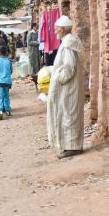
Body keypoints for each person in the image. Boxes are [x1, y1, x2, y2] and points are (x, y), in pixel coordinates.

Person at [47, 16, 84, 159]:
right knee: (67, 114)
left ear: (62, 29)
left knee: (69, 115)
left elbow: (69, 67)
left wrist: (58, 80)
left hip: (68, 87)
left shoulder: (68, 43)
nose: (56, 31)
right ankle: (70, 146)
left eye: (57, 29)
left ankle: (73, 147)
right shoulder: (67, 42)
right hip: (68, 87)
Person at [0, 46, 13, 120]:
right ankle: (7, 110)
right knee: (6, 96)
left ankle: (0, 110)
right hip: (7, 82)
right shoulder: (9, 61)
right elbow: (11, 71)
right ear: (6, 52)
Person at [27, 23, 41, 89]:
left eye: (37, 26)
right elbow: (29, 42)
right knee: (33, 62)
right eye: (36, 26)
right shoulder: (30, 33)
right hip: (32, 51)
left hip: (38, 50)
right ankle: (33, 75)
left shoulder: (38, 33)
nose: (37, 27)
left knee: (38, 61)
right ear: (33, 27)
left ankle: (38, 74)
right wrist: (37, 43)